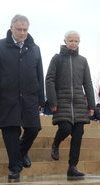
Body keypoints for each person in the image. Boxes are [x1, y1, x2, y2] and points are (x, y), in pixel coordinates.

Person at [0, 14, 45, 182]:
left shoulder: (35, 48)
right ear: (11, 28)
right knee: (11, 132)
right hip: (7, 97)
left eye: (25, 30)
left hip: (30, 97)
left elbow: (39, 73)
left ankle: (21, 152)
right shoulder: (1, 46)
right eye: (19, 29)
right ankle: (14, 168)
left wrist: (42, 98)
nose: (22, 33)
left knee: (33, 128)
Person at [45, 30, 95, 177]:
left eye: (76, 41)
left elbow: (88, 83)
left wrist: (91, 105)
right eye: (70, 40)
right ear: (65, 41)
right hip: (62, 102)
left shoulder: (83, 61)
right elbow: (49, 80)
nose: (73, 43)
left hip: (79, 103)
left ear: (79, 42)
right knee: (65, 129)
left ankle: (72, 167)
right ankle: (55, 143)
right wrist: (52, 101)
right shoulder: (57, 59)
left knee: (78, 134)